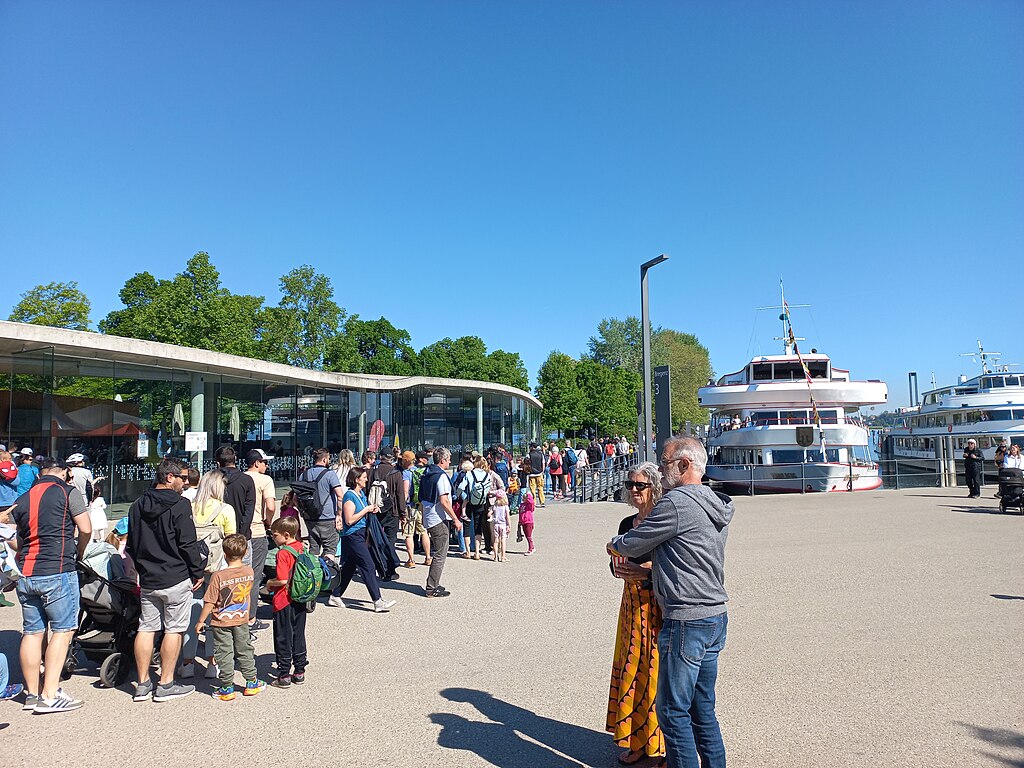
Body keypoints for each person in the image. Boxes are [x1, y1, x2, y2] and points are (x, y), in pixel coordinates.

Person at [608, 438, 734, 768]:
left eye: (664, 463)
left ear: (684, 465)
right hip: (715, 614)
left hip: (686, 618)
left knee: (672, 711)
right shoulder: (716, 501)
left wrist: (614, 544)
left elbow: (632, 544)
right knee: (702, 708)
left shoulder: (676, 503)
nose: (662, 472)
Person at [9, 456, 91, 712]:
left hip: (27, 573)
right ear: (64, 473)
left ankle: (32, 694)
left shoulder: (23, 498)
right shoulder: (67, 493)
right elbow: (86, 528)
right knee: (63, 630)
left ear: (39, 474)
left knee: (32, 632)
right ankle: (50, 694)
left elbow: (16, 541)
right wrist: (79, 551)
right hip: (57, 569)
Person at [127, 458, 205, 703]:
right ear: (170, 477)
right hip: (175, 575)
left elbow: (132, 544)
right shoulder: (180, 505)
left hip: (149, 577)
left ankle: (142, 684)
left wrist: (141, 567)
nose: (186, 482)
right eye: (183, 477)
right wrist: (198, 571)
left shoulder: (138, 504)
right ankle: (166, 683)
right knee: (174, 629)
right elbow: (187, 543)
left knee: (146, 627)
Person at [607, 462, 667, 765]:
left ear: (654, 487)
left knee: (656, 674)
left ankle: (662, 745)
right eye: (630, 484)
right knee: (632, 670)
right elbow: (617, 559)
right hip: (631, 606)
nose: (634, 490)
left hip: (657, 606)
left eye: (640, 485)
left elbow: (675, 563)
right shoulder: (627, 524)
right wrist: (618, 568)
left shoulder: (663, 521)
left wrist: (646, 570)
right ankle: (637, 740)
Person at [180, 469, 237, 680]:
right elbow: (232, 542)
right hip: (218, 568)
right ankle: (213, 663)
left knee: (192, 614)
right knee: (215, 614)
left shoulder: (189, 507)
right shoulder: (225, 509)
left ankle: (187, 663)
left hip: (192, 568)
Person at [196, 533, 265, 701]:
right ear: (245, 552)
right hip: (241, 618)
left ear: (224, 554)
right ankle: (251, 682)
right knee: (245, 649)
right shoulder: (248, 571)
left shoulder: (218, 576)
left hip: (221, 621)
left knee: (224, 652)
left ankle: (227, 687)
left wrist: (200, 621)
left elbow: (210, 602)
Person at [328, 466, 397, 613]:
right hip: (352, 536)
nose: (366, 479)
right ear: (356, 480)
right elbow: (349, 520)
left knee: (349, 567)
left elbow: (362, 513)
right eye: (364, 477)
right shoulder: (350, 496)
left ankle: (335, 595)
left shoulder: (361, 494)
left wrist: (372, 509)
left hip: (361, 534)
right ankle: (378, 601)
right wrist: (366, 509)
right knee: (368, 565)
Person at [266, 516, 307, 688]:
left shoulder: (283, 553)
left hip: (284, 599)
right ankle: (299, 671)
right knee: (298, 634)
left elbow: (282, 580)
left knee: (283, 636)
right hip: (300, 598)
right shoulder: (301, 547)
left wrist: (270, 583)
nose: (273, 538)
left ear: (286, 535)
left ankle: (284, 674)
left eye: (275, 535)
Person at [420, 447, 462, 598]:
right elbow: (444, 501)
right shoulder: (441, 477)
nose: (450, 462)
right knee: (440, 553)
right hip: (438, 518)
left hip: (429, 516)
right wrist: (455, 519)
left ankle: (433, 583)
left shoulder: (427, 473)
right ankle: (432, 587)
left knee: (438, 551)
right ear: (443, 460)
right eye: (448, 459)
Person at [244, 448, 276, 630]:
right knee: (254, 576)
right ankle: (250, 617)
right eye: (265, 462)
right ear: (257, 463)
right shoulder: (265, 480)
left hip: (238, 531)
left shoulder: (239, 478)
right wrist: (268, 521)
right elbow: (270, 506)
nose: (267, 465)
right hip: (256, 530)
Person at [299, 448, 345, 561]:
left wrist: (302, 512)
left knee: (313, 549)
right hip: (328, 517)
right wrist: (339, 515)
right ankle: (329, 570)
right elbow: (340, 496)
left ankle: (313, 570)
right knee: (329, 549)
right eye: (328, 458)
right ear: (324, 459)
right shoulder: (329, 474)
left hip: (310, 518)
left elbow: (296, 498)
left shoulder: (303, 475)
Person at [215, 446, 256, 564]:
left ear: (218, 463)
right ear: (235, 459)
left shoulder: (212, 480)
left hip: (217, 537)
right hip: (242, 536)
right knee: (243, 572)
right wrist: (241, 536)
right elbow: (249, 511)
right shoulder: (246, 480)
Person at [400, 451, 430, 568]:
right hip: (421, 506)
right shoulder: (421, 471)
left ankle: (411, 560)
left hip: (410, 506)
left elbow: (405, 491)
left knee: (409, 534)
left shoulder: (406, 473)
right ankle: (428, 558)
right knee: (424, 532)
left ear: (406, 460)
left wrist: (402, 507)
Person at [489, 487, 510, 562]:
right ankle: (503, 557)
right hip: (503, 525)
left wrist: (492, 514)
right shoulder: (505, 507)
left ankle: (495, 557)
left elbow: (489, 514)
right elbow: (507, 517)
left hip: (496, 525)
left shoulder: (495, 506)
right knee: (503, 541)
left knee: (496, 541)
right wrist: (509, 525)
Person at [87, 476, 108, 542]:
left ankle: (90, 540)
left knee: (92, 528)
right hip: (100, 514)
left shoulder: (90, 500)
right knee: (101, 528)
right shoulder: (100, 499)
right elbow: (104, 506)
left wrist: (98, 478)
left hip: (92, 514)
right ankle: (102, 538)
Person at [527, 443, 546, 508]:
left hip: (531, 474)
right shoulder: (541, 454)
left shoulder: (529, 455)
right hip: (539, 473)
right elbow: (543, 463)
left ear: (532, 447)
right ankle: (542, 501)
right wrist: (542, 471)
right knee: (540, 488)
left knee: (533, 489)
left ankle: (534, 502)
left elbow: (527, 464)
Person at [518, 490, 536, 555]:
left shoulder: (529, 506)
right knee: (527, 536)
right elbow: (520, 514)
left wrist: (529, 495)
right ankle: (532, 547)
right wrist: (519, 521)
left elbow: (531, 502)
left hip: (529, 522)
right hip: (523, 522)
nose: (523, 498)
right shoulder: (522, 505)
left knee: (529, 536)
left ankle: (531, 549)